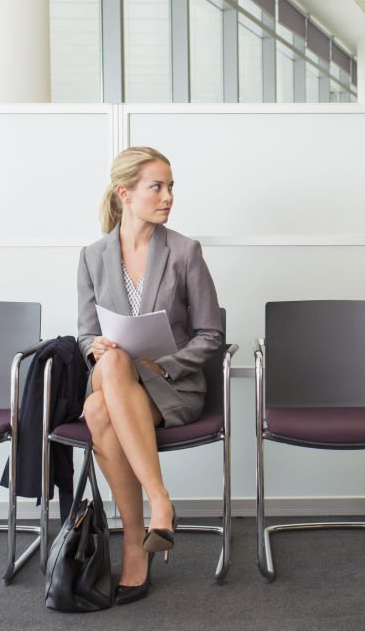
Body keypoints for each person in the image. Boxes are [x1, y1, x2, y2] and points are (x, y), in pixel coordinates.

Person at [77, 146, 223, 604]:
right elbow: (85, 336)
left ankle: (134, 548)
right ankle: (160, 501)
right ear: (125, 193)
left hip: (170, 388)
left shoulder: (184, 251)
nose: (168, 196)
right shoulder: (92, 256)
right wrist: (96, 346)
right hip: (114, 374)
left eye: (171, 186)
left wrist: (163, 364)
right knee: (113, 361)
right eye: (156, 187)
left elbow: (210, 335)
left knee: (99, 411)